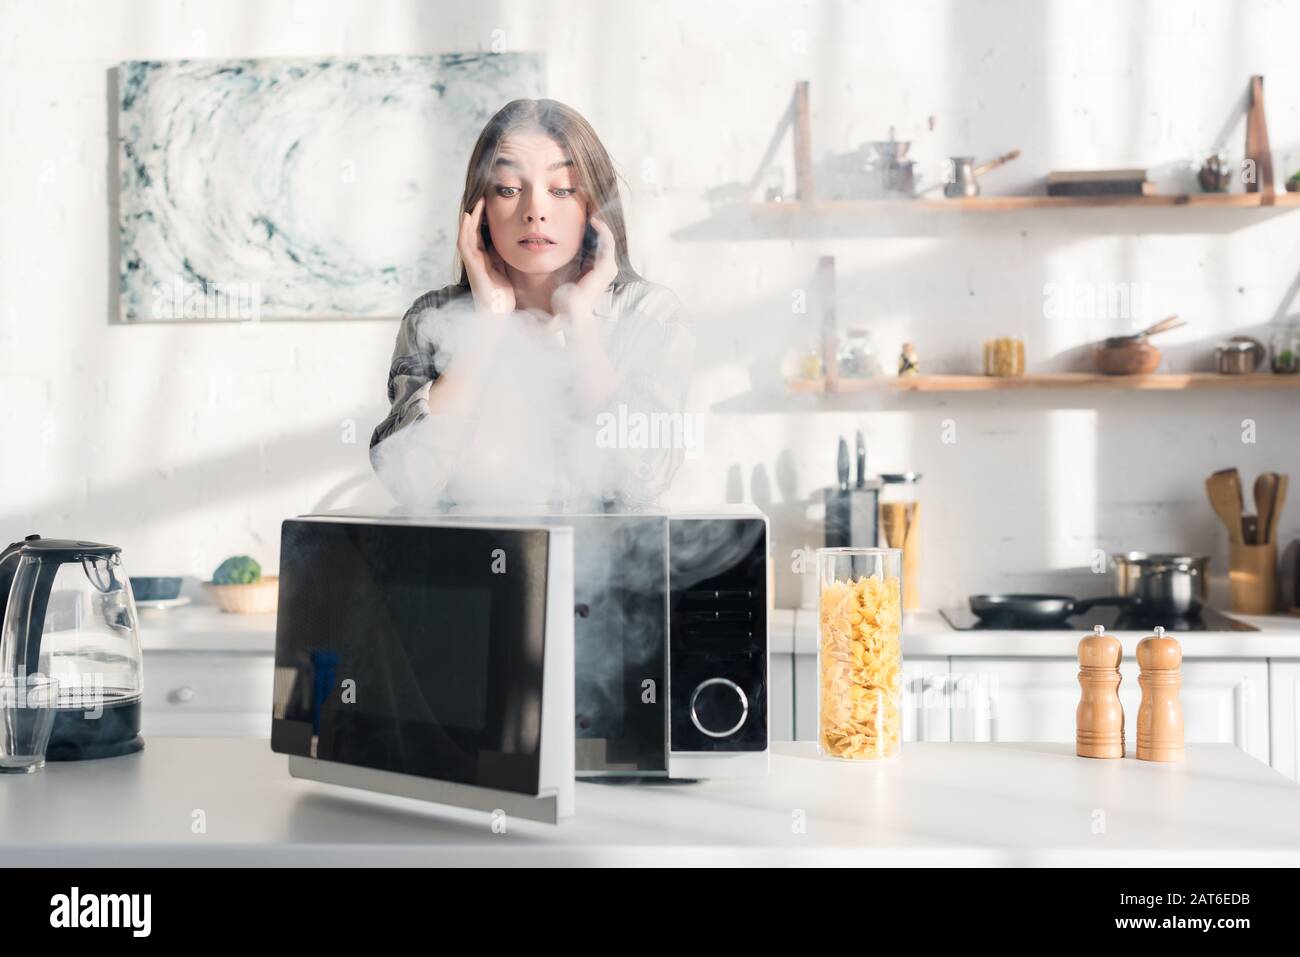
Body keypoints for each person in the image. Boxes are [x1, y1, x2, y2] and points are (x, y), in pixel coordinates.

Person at [368, 98, 693, 511]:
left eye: (561, 190)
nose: (535, 211)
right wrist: (488, 324)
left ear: (594, 206)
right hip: (465, 567)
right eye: (508, 189)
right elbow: (408, 481)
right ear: (480, 211)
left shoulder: (649, 314)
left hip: (610, 570)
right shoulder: (430, 318)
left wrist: (580, 322)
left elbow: (642, 480)